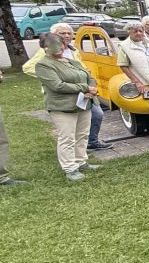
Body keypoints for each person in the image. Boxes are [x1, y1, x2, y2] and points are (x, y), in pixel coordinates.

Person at [23, 23, 112, 151]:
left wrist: (89, 83)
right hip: (64, 93)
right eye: (62, 33)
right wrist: (50, 77)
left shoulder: (73, 50)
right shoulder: (46, 51)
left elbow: (81, 68)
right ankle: (71, 156)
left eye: (69, 33)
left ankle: (91, 142)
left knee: (96, 115)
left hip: (84, 92)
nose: (66, 35)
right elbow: (28, 68)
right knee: (69, 126)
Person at [35, 33, 101, 181]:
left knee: (82, 134)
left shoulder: (71, 61)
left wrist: (92, 87)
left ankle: (81, 161)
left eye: (60, 44)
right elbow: (57, 85)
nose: (57, 48)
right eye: (50, 45)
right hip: (62, 106)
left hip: (84, 103)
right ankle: (70, 168)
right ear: (45, 48)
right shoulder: (43, 64)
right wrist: (85, 87)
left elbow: (88, 75)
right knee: (67, 137)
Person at [117, 20, 149, 98]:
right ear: (129, 32)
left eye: (140, 31)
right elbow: (123, 66)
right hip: (142, 82)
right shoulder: (124, 46)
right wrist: (136, 82)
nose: (138, 33)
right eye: (135, 31)